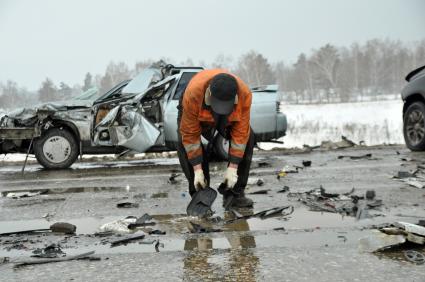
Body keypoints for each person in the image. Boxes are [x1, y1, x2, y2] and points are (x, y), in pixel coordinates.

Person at [177, 69, 255, 208]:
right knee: (184, 143)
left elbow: (241, 133)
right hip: (196, 105)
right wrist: (197, 169)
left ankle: (234, 194)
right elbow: (190, 135)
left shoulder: (244, 95)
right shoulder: (193, 94)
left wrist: (233, 167)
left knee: (248, 138)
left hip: (230, 113)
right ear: (209, 94)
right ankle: (200, 196)